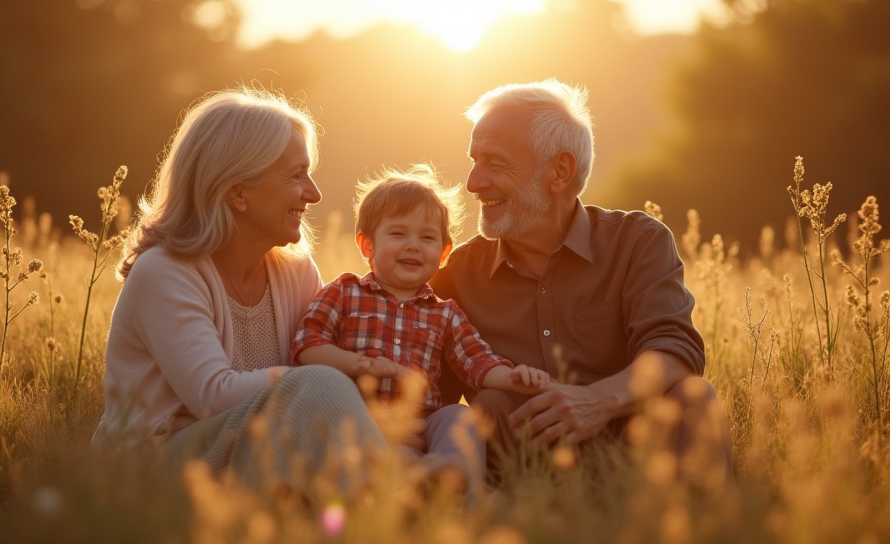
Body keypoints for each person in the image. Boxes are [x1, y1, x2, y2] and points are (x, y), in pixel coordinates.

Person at [431, 79, 733, 486]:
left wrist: (596, 402)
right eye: (474, 160)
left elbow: (675, 350)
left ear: (560, 171)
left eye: (495, 163)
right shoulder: (457, 271)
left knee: (695, 399)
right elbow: (423, 380)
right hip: (521, 475)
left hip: (640, 458)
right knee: (487, 406)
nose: (472, 182)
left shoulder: (638, 242)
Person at [91, 87, 387, 499]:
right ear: (237, 192)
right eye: (296, 175)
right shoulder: (164, 272)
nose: (314, 193)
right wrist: (316, 380)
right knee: (322, 386)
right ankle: (396, 504)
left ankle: (385, 503)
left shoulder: (295, 270)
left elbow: (329, 364)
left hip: (247, 450)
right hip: (153, 473)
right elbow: (211, 396)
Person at [290, 165, 550, 496]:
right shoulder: (344, 291)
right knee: (385, 460)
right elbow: (306, 344)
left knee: (459, 415)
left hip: (422, 428)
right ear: (367, 245)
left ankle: (455, 480)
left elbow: (478, 362)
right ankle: (420, 483)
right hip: (361, 426)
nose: (413, 246)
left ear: (443, 253)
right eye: (398, 234)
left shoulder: (445, 313)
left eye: (427, 238)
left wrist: (514, 377)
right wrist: (361, 364)